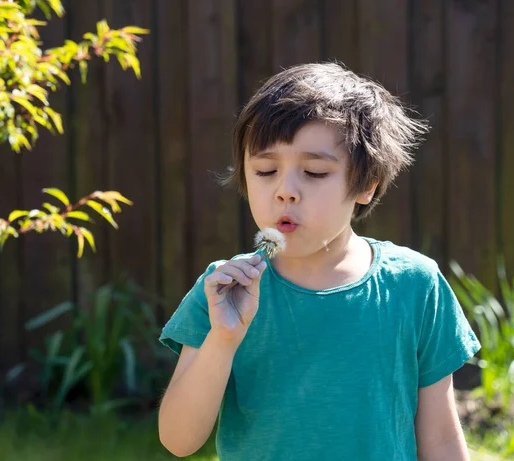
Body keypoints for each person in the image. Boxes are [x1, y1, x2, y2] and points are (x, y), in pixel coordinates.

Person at [157, 62, 481, 460]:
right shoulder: (224, 291)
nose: (285, 191)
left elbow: (442, 440)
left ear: (366, 184)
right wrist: (223, 340)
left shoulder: (414, 285)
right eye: (265, 170)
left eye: (313, 172)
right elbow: (178, 439)